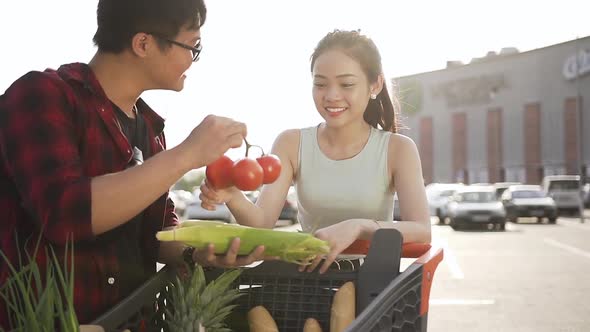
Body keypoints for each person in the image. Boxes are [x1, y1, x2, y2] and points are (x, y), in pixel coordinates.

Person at [0, 0, 267, 327]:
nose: (193, 59)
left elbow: (159, 235)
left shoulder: (151, 130)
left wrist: (199, 251)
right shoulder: (42, 95)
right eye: (192, 46)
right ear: (144, 43)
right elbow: (65, 213)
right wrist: (187, 154)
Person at [200, 29, 431, 274]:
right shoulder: (291, 142)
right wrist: (233, 196)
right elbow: (262, 223)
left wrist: (358, 227)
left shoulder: (398, 149)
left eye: (346, 84)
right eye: (320, 84)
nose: (331, 96)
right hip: (307, 280)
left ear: (375, 85)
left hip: (372, 284)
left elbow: (422, 229)